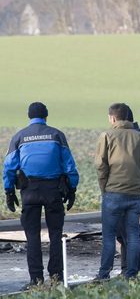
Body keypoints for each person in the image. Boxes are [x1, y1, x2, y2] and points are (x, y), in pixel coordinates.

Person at [2, 102, 79, 289]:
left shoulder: (19, 137)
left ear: (29, 117)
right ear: (46, 117)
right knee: (55, 235)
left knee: (33, 236)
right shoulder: (56, 135)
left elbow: (9, 167)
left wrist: (9, 192)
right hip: (53, 191)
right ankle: (56, 278)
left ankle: (36, 280)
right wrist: (72, 189)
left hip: (29, 191)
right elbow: (69, 165)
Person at [94, 103, 140, 280]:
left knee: (109, 237)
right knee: (133, 235)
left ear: (113, 118)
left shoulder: (107, 136)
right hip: (135, 195)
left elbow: (100, 166)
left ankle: (103, 275)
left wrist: (105, 189)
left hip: (113, 193)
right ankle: (131, 274)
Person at [115, 104, 140, 276]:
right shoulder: (138, 135)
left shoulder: (128, 137)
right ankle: (131, 269)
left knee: (128, 233)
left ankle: (132, 270)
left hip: (123, 191)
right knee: (129, 233)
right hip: (135, 190)